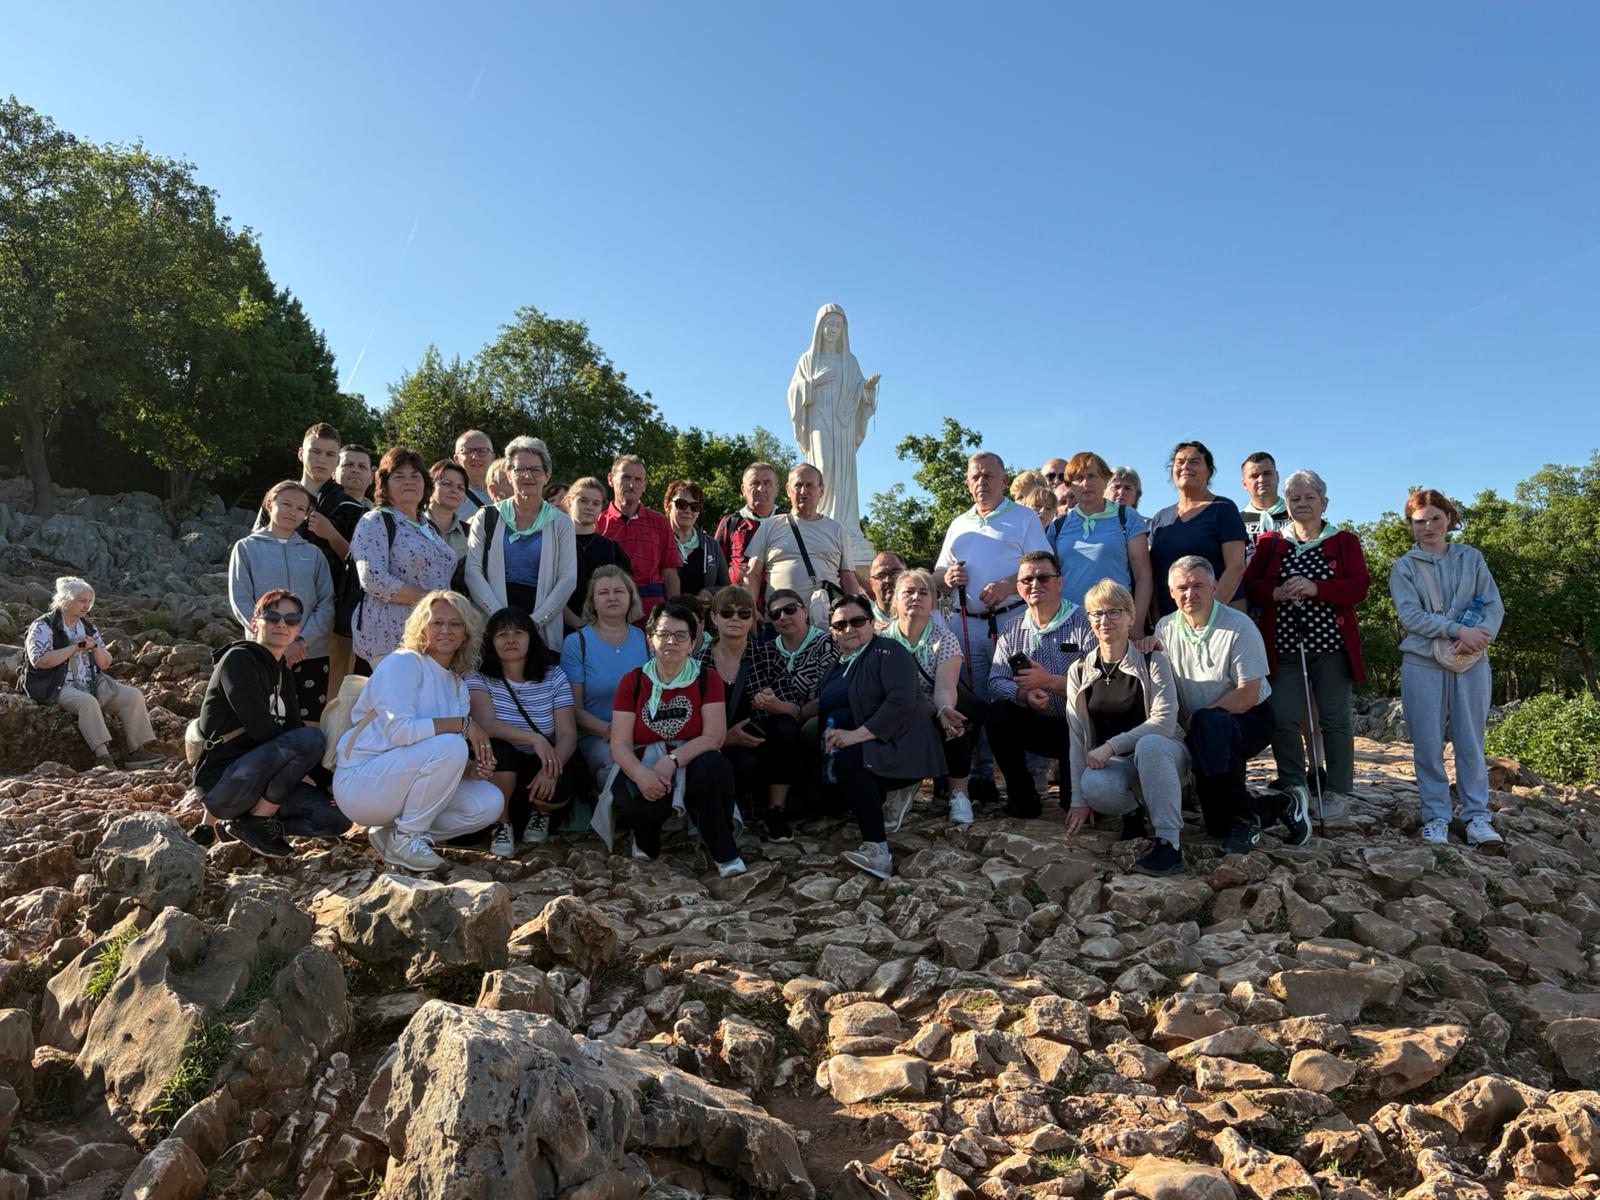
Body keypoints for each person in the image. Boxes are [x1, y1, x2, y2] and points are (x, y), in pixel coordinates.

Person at [332, 591, 503, 871]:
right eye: (437, 623)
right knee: (453, 745)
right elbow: (401, 733)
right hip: (361, 782)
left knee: (489, 802)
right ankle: (407, 839)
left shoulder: (458, 686)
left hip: (398, 785)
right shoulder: (403, 662)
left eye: (455, 624)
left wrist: (470, 770)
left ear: (466, 635)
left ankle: (393, 835)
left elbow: (437, 761)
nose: (446, 630)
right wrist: (463, 724)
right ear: (422, 628)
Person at [1154, 556, 1310, 854]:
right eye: (1182, 588)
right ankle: (1279, 805)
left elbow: (1248, 694)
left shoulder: (1239, 625)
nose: (1190, 594)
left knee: (1210, 724)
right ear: (1171, 592)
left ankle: (1246, 821)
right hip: (1200, 726)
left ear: (1214, 587)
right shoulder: (1165, 628)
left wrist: (1201, 719)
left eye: (1198, 585)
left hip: (1250, 717)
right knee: (1218, 826)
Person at [1243, 469, 1370, 823]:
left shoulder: (1344, 541)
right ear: (1286, 504)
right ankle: (1294, 785)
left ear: (1323, 503)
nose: (1302, 504)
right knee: (1282, 715)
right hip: (1283, 645)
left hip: (1332, 646)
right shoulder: (1270, 543)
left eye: (1309, 497)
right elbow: (1251, 585)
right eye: (1294, 498)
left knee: (1334, 718)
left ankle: (1337, 790)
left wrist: (1317, 588)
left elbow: (1359, 586)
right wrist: (1276, 593)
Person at [191, 588, 350, 857]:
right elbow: (261, 728)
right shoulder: (238, 660)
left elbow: (294, 730)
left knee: (337, 819)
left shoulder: (282, 672)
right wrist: (299, 761)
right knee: (311, 738)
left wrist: (328, 784)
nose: (282, 625)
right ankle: (258, 819)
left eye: (291, 620)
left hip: (259, 783)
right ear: (255, 624)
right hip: (224, 784)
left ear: (297, 629)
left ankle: (244, 825)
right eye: (273, 617)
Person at [1388, 489, 1504, 847]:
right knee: (1427, 744)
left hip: (1471, 661)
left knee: (1471, 741)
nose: (1428, 527)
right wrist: (1457, 630)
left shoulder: (1471, 558)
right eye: (1420, 521)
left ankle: (1477, 816)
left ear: (1449, 518)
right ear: (1411, 525)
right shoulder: (1403, 567)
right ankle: (1436, 817)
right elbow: (1410, 616)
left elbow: (1493, 605)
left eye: (1435, 518)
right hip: (1422, 662)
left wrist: (1479, 637)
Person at [936, 451, 1051, 805]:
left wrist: (1007, 585)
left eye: (989, 475)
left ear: (1004, 480)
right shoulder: (958, 524)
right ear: (967, 483)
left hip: (1013, 620)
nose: (982, 481)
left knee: (1022, 696)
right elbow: (938, 574)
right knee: (973, 702)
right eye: (975, 476)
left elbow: (1044, 565)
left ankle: (1031, 780)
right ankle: (980, 778)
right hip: (967, 624)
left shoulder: (1024, 517)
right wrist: (947, 577)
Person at [606, 600, 744, 874]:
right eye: (664, 634)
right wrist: (641, 775)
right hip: (645, 762)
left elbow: (714, 737)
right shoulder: (632, 681)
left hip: (690, 760)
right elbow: (619, 744)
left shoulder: (707, 679)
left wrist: (672, 760)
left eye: (681, 636)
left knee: (713, 766)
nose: (671, 641)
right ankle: (645, 835)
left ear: (692, 643)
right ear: (650, 640)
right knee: (631, 803)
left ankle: (723, 850)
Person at [1063, 580, 1188, 876]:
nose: (1105, 620)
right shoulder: (1079, 670)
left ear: (1132, 617)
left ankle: (1169, 844)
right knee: (1093, 784)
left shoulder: (1152, 660)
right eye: (1097, 613)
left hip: (1165, 753)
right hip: (1120, 764)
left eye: (1114, 612)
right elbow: (1077, 738)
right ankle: (1133, 811)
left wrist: (1111, 746)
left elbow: (1164, 722)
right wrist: (1078, 800)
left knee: (1150, 745)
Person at [818, 594, 944, 880]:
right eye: (840, 625)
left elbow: (900, 702)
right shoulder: (837, 664)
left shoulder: (889, 651)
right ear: (832, 631)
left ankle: (878, 851)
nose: (849, 629)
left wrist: (855, 736)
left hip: (897, 745)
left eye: (857, 621)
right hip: (854, 746)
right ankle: (885, 799)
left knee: (850, 757)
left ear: (872, 622)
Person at [986, 549, 1094, 817]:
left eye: (1043, 578)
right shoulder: (1012, 628)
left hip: (1078, 727)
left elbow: (1100, 686)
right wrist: (1023, 694)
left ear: (1060, 582)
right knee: (997, 713)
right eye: (1027, 580)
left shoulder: (1086, 622)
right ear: (1019, 588)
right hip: (1037, 723)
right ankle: (1022, 799)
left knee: (1076, 806)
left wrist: (1051, 682)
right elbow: (995, 681)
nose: (1035, 585)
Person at [469, 607, 582, 856]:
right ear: (491, 642)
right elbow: (485, 723)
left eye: (519, 633)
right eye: (502, 634)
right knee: (496, 749)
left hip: (540, 761)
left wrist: (551, 768)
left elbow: (568, 735)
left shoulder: (554, 675)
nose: (511, 640)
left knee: (561, 777)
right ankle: (501, 823)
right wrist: (534, 738)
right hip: (502, 767)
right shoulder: (479, 677)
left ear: (531, 638)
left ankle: (541, 813)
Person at [22, 577, 161, 768]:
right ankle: (103, 756)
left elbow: (105, 664)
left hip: (90, 682)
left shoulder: (88, 627)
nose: (86, 606)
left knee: (133, 696)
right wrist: (74, 647)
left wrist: (95, 647)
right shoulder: (44, 625)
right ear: (65, 599)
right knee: (88, 702)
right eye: (82, 600)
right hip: (55, 685)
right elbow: (40, 661)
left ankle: (136, 751)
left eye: (89, 601)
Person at [228, 481, 337, 720]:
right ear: (270, 504)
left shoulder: (313, 553)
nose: (292, 512)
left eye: (300, 509)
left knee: (309, 722)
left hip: (310, 652)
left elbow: (326, 603)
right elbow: (241, 600)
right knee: (266, 721)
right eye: (286, 504)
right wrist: (277, 642)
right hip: (263, 652)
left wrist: (301, 640)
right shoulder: (246, 548)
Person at [700, 585, 801, 841]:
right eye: (727, 612)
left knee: (785, 726)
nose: (735, 618)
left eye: (744, 613)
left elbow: (794, 711)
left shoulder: (767, 654)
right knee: (744, 763)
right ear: (713, 617)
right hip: (719, 747)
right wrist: (725, 738)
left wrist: (774, 704)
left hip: (765, 743)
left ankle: (776, 810)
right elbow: (690, 723)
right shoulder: (699, 663)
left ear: (752, 618)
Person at [884, 569, 979, 826]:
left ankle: (958, 793)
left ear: (932, 602)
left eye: (923, 593)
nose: (916, 597)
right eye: (909, 592)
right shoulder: (881, 640)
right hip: (895, 710)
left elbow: (945, 687)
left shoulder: (945, 639)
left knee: (956, 721)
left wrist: (945, 708)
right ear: (896, 600)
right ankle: (900, 787)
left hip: (931, 707)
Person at [348, 446, 458, 668]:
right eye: (399, 476)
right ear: (385, 484)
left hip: (431, 637)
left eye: (415, 476)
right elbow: (373, 579)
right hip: (392, 638)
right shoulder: (375, 521)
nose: (409, 481)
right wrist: (432, 599)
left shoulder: (429, 527)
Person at [465, 436, 577, 651]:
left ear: (546, 475)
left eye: (535, 470)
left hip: (541, 624)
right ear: (509, 474)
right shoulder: (486, 517)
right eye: (520, 469)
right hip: (492, 620)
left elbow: (568, 578)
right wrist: (501, 618)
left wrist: (535, 621)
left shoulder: (561, 523)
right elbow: (472, 571)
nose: (527, 476)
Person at [788, 303, 879, 559]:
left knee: (844, 475)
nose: (833, 329)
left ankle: (846, 528)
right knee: (823, 467)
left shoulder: (850, 362)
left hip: (844, 426)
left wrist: (867, 390)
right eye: (829, 323)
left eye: (838, 325)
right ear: (819, 327)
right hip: (818, 422)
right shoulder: (808, 360)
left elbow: (859, 395)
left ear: (844, 330)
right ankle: (820, 521)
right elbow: (793, 393)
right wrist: (813, 383)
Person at [560, 566, 650, 789]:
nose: (612, 597)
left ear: (631, 597)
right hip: (596, 736)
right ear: (592, 601)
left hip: (641, 733)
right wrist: (615, 732)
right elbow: (573, 709)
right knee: (619, 763)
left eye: (619, 591)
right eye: (603, 592)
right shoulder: (576, 643)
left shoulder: (646, 640)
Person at [742, 463, 862, 628]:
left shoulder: (837, 530)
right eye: (798, 485)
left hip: (827, 622)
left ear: (821, 490)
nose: (803, 491)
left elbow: (848, 578)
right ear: (788, 490)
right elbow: (753, 574)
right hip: (780, 621)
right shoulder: (769, 526)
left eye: (809, 485)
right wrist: (750, 609)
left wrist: (857, 614)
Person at [1051, 451, 1154, 630]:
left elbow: (1143, 575)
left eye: (1092, 476)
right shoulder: (1059, 525)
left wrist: (1137, 625)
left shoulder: (1127, 517)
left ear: (1105, 480)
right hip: (1068, 624)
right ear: (1070, 485)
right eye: (1079, 478)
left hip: (1115, 622)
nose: (1086, 483)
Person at [1147, 441, 1248, 618]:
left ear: (1209, 471)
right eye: (1180, 462)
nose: (1185, 466)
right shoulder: (1159, 519)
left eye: (1194, 462)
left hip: (1220, 617)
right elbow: (1155, 577)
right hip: (1171, 622)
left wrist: (1206, 615)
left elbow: (1236, 567)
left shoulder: (1223, 508)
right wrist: (1157, 619)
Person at [596, 454, 682, 618]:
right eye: (626, 477)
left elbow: (670, 574)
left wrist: (674, 615)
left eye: (638, 480)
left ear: (644, 485)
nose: (632, 485)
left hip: (650, 611)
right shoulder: (597, 522)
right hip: (607, 610)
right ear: (611, 479)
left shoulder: (659, 522)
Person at [751, 587, 838, 727]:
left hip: (819, 719)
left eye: (790, 609)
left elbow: (831, 695)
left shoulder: (828, 644)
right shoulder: (767, 650)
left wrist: (798, 714)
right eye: (775, 614)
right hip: (779, 724)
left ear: (805, 612)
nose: (783, 617)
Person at [563, 476, 632, 632]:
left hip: (605, 630)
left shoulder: (611, 548)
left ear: (602, 507)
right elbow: (548, 591)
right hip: (560, 629)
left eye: (596, 503)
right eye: (583, 501)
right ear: (569, 501)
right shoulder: (556, 544)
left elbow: (623, 593)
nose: (589, 507)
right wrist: (578, 624)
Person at [715, 462, 782, 593]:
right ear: (743, 489)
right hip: (739, 600)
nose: (761, 489)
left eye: (767, 483)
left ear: (776, 489)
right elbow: (717, 564)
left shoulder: (788, 523)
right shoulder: (731, 523)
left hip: (780, 599)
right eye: (754, 483)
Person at [666, 479, 731, 613]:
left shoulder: (711, 546)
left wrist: (710, 592)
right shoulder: (658, 542)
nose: (688, 510)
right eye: (681, 504)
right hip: (668, 618)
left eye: (694, 506)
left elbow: (726, 588)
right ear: (668, 505)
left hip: (702, 620)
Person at [428, 459, 472, 592]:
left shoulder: (470, 533)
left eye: (460, 487)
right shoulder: (410, 526)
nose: (454, 491)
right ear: (429, 486)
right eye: (447, 484)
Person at [1240, 452, 1287, 543]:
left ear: (1277, 476)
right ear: (1244, 484)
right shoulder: (1236, 521)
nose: (1261, 480)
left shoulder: (1297, 515)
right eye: (1254, 476)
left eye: (1267, 473)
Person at [453, 430, 495, 518]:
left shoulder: (508, 492)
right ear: (456, 459)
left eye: (482, 451)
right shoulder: (447, 495)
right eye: (467, 451)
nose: (475, 457)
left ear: (492, 457)